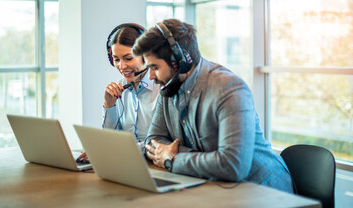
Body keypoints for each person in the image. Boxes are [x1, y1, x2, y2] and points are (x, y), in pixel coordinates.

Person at [132, 19, 294, 193]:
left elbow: (233, 165)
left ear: (179, 61)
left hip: (261, 190)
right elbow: (153, 141)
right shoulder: (169, 85)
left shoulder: (229, 88)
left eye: (154, 67)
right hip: (213, 186)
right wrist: (209, 160)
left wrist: (174, 156)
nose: (150, 76)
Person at [77, 23, 160, 162]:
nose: (121, 66)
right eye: (116, 59)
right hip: (123, 163)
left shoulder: (161, 89)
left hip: (154, 165)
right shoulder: (120, 87)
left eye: (128, 58)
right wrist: (109, 105)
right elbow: (110, 139)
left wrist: (115, 151)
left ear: (146, 56)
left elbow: (161, 143)